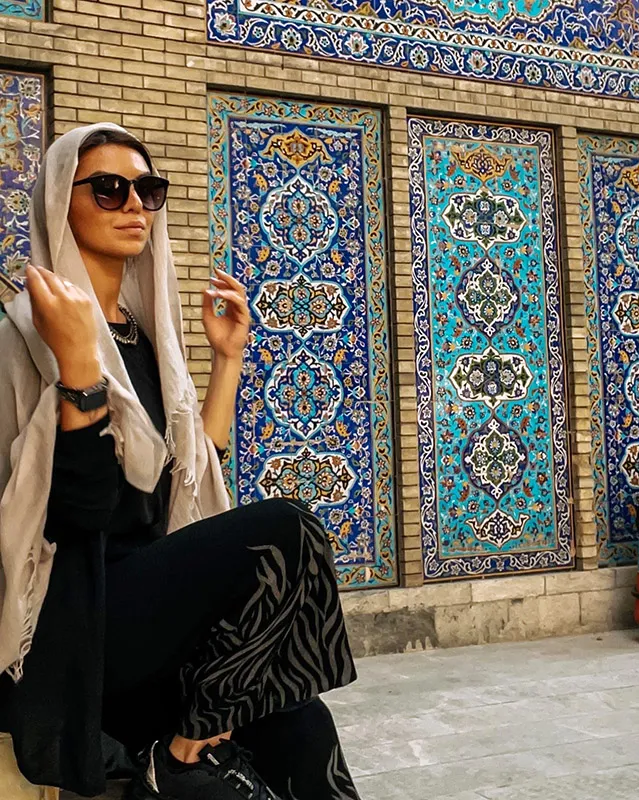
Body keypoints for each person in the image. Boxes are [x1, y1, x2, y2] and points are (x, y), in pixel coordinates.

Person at [0, 123, 360, 800]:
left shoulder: (145, 338)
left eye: (148, 189)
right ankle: (189, 742)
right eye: (109, 189)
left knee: (302, 723)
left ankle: (184, 751)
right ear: (58, 203)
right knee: (289, 529)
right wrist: (77, 370)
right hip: (77, 621)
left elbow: (188, 478)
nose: (135, 204)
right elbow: (74, 517)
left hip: (149, 615)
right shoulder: (27, 339)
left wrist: (227, 359)